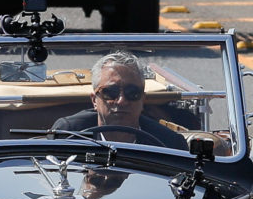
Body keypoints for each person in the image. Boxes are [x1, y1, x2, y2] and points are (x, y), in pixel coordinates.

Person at [51, 53, 208, 149]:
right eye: (110, 92)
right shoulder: (68, 134)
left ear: (143, 100)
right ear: (94, 100)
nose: (121, 101)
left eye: (132, 93)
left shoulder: (168, 143)